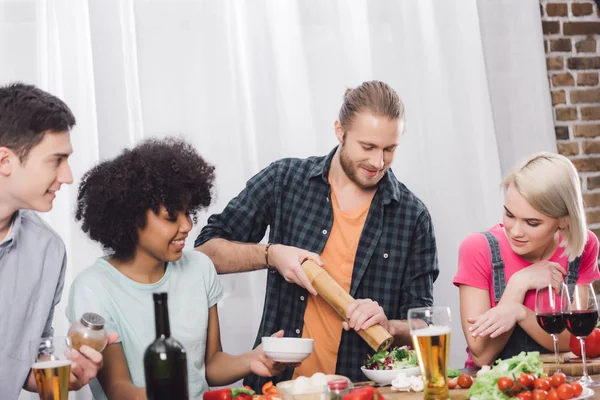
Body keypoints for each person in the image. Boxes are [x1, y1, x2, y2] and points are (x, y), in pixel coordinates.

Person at [195, 80, 439, 388]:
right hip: (276, 389)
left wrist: (388, 324)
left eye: (389, 149)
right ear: (340, 131)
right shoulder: (284, 181)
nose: (378, 163)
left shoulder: (412, 216)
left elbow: (425, 322)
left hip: (358, 392)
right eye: (367, 147)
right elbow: (205, 253)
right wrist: (272, 255)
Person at [67, 137, 287, 400]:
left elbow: (210, 366)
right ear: (131, 217)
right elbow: (118, 389)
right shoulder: (93, 287)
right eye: (171, 217)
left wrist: (254, 358)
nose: (187, 226)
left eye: (188, 212)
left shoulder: (200, 268)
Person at [0, 82, 117, 398]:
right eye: (56, 160)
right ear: (4, 161)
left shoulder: (47, 251)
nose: (68, 177)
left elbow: (28, 363)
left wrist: (66, 372)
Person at [454, 152, 600, 367]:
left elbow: (576, 340)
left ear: (564, 221)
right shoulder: (477, 248)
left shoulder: (582, 246)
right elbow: (482, 355)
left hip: (560, 384)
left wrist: (520, 313)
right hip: (496, 386)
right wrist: (517, 286)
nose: (516, 232)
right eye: (509, 215)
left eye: (532, 223)